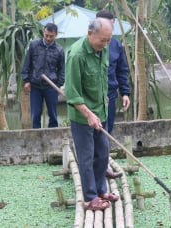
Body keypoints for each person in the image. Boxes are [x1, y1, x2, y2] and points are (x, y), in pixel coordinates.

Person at [65, 18, 119, 210]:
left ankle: (100, 189)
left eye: (108, 40)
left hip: (100, 111)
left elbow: (102, 77)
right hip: (82, 117)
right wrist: (88, 114)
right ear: (90, 33)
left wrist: (103, 98)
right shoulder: (76, 55)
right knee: (86, 157)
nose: (105, 44)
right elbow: (72, 92)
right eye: (102, 40)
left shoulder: (103, 50)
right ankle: (89, 198)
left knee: (102, 153)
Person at [96, 9, 131, 179]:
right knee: (93, 131)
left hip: (110, 93)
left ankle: (104, 166)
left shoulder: (116, 45)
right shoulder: (88, 44)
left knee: (107, 130)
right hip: (92, 96)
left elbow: (122, 70)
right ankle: (94, 169)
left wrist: (125, 92)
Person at [21, 23, 65, 128]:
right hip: (35, 86)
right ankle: (37, 138)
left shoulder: (59, 50)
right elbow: (27, 64)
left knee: (53, 116)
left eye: (51, 36)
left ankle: (52, 139)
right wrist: (26, 81)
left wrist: (58, 85)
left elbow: (62, 70)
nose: (48, 38)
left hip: (51, 87)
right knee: (35, 115)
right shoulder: (33, 45)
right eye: (46, 35)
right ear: (43, 33)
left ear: (56, 35)